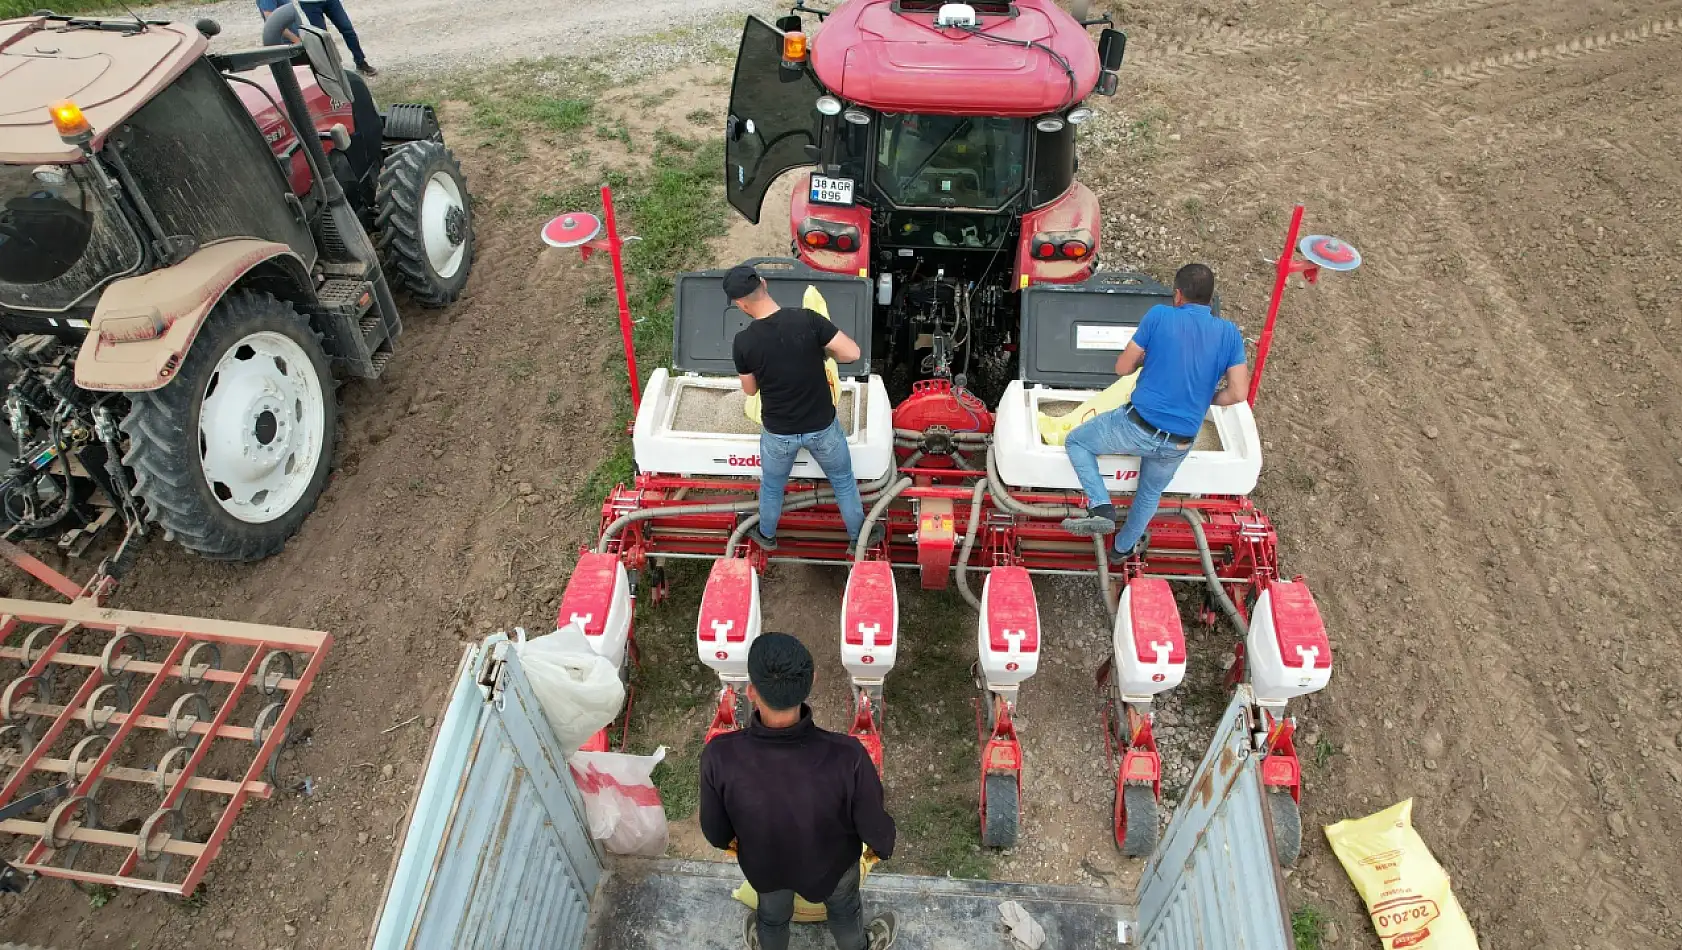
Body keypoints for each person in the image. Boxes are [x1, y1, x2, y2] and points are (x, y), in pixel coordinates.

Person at [700, 633, 898, 950]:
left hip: (765, 865)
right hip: (831, 867)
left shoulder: (718, 756)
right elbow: (873, 822)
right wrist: (881, 845)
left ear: (751, 692)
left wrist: (733, 842)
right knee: (845, 912)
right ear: (811, 683)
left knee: (772, 917)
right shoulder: (848, 756)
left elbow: (715, 830)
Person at [1060, 263, 1249, 563]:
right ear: (1211, 299)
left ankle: (1101, 507)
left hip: (1135, 427)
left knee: (1077, 442)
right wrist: (1205, 398)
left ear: (1177, 295)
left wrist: (1144, 361)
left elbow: (1122, 368)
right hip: (1181, 441)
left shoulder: (1160, 316)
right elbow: (1238, 393)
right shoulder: (1229, 334)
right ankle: (1121, 549)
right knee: (1149, 493)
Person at [726, 264, 883, 552]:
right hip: (822, 427)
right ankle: (859, 537)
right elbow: (853, 353)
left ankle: (767, 535)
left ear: (740, 304)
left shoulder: (743, 342)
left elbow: (750, 390)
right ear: (765, 283)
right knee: (843, 482)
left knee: (773, 486)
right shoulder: (809, 320)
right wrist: (820, 351)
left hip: (779, 433)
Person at [257, 0, 378, 76]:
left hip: (331, 2)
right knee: (322, 38)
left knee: (347, 30)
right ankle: (334, 70)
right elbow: (270, 17)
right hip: (309, 4)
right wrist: (296, 40)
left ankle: (360, 62)